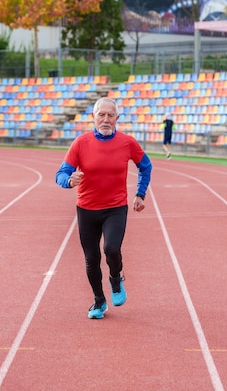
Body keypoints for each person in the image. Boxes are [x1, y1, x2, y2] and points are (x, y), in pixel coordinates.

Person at [55, 97, 152, 319]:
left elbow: (145, 166)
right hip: (87, 209)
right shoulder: (81, 143)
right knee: (91, 258)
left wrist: (140, 193)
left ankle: (116, 278)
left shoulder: (127, 143)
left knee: (111, 249)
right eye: (101, 115)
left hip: (115, 208)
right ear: (94, 117)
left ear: (117, 119)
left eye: (110, 115)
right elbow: (60, 173)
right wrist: (69, 181)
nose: (106, 119)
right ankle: (99, 301)